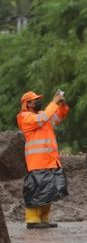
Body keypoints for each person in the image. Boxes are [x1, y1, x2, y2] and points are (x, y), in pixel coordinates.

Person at [16, 91, 70, 229]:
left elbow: (58, 117)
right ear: (27, 103)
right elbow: (43, 118)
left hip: (50, 160)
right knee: (36, 191)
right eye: (35, 100)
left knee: (49, 190)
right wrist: (54, 102)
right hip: (37, 161)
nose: (38, 101)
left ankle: (43, 219)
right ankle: (33, 220)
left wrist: (62, 105)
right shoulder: (25, 117)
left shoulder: (41, 115)